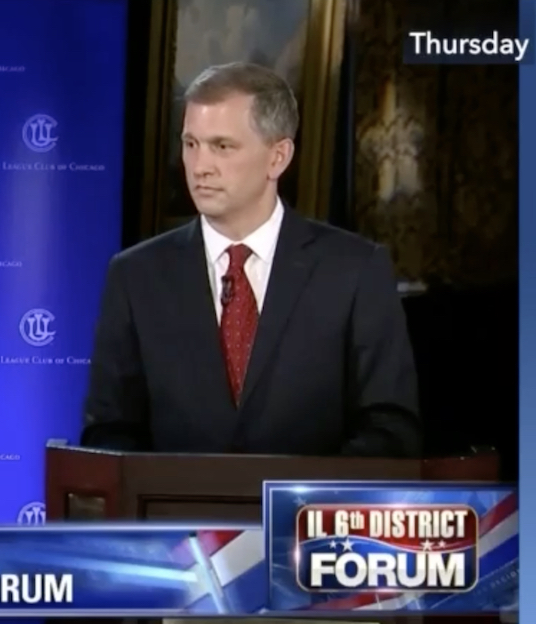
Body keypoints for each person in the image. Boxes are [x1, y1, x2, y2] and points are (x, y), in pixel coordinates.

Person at [80, 62, 420, 457]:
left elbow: (391, 432)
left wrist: (299, 504)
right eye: (191, 144)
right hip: (180, 516)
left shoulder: (354, 271)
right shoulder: (136, 275)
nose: (199, 166)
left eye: (222, 146)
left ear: (278, 157)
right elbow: (109, 434)